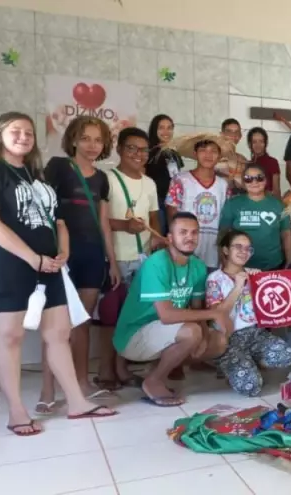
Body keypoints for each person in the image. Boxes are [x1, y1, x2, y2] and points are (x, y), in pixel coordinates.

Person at [0, 112, 117, 436]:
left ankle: (77, 402)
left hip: (48, 267)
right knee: (11, 336)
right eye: (15, 131)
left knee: (59, 333)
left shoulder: (37, 176)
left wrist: (63, 253)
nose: (23, 136)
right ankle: (17, 411)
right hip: (6, 265)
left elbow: (58, 221)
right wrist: (32, 258)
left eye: (29, 132)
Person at [42, 116, 121, 408]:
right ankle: (47, 391)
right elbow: (44, 210)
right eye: (85, 138)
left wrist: (111, 262)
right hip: (62, 255)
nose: (91, 145)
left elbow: (104, 223)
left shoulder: (102, 179)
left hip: (91, 256)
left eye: (98, 140)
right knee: (56, 325)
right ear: (73, 139)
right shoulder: (58, 168)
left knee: (83, 322)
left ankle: (82, 382)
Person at [113, 212, 232, 405]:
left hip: (164, 333)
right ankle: (154, 381)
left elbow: (196, 307)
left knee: (218, 341)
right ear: (170, 238)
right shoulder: (156, 263)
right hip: (134, 336)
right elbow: (167, 316)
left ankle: (157, 368)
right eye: (183, 232)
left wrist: (203, 334)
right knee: (190, 332)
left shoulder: (198, 266)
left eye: (194, 233)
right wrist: (213, 314)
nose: (189, 237)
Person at [95, 127, 162, 391]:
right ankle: (104, 370)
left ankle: (122, 368)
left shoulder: (150, 183)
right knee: (109, 316)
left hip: (143, 259)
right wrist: (124, 226)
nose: (138, 154)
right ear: (119, 149)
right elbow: (98, 221)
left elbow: (154, 217)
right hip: (116, 258)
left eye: (143, 149)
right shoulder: (107, 179)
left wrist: (157, 238)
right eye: (132, 148)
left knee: (131, 316)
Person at [206, 230, 291, 396]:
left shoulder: (254, 275)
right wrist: (238, 286)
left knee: (286, 355)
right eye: (238, 247)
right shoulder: (215, 278)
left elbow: (272, 306)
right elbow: (217, 314)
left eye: (248, 248)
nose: (243, 252)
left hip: (255, 333)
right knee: (251, 388)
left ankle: (248, 361)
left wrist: (261, 283)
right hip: (229, 338)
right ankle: (228, 364)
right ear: (225, 250)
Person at [165, 133, 231, 271]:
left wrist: (223, 250)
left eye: (213, 151)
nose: (208, 155)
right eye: (203, 150)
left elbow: (225, 220)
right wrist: (175, 245)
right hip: (185, 249)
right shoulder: (180, 180)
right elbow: (172, 213)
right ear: (195, 153)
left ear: (219, 157)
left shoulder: (223, 185)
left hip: (213, 251)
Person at [219, 164, 291, 270]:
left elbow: (286, 234)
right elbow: (223, 234)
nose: (254, 182)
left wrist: (290, 261)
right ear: (243, 183)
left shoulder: (278, 205)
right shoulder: (233, 204)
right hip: (240, 267)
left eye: (259, 178)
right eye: (248, 179)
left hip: (272, 266)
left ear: (266, 180)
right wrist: (223, 259)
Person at [145, 114, 184, 235]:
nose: (166, 131)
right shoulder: (148, 152)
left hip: (173, 202)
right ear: (154, 130)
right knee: (159, 237)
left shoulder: (173, 152)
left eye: (169, 128)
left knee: (172, 236)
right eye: (161, 128)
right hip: (157, 203)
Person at [247, 127, 281, 198]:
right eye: (254, 142)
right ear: (250, 144)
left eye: (261, 141)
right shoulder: (248, 164)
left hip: (268, 203)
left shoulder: (272, 162)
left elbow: (276, 191)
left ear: (266, 143)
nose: (258, 145)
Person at [220, 118, 248, 195]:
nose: (233, 136)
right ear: (221, 134)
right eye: (229, 132)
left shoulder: (242, 160)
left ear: (240, 136)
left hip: (238, 203)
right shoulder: (213, 158)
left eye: (236, 133)